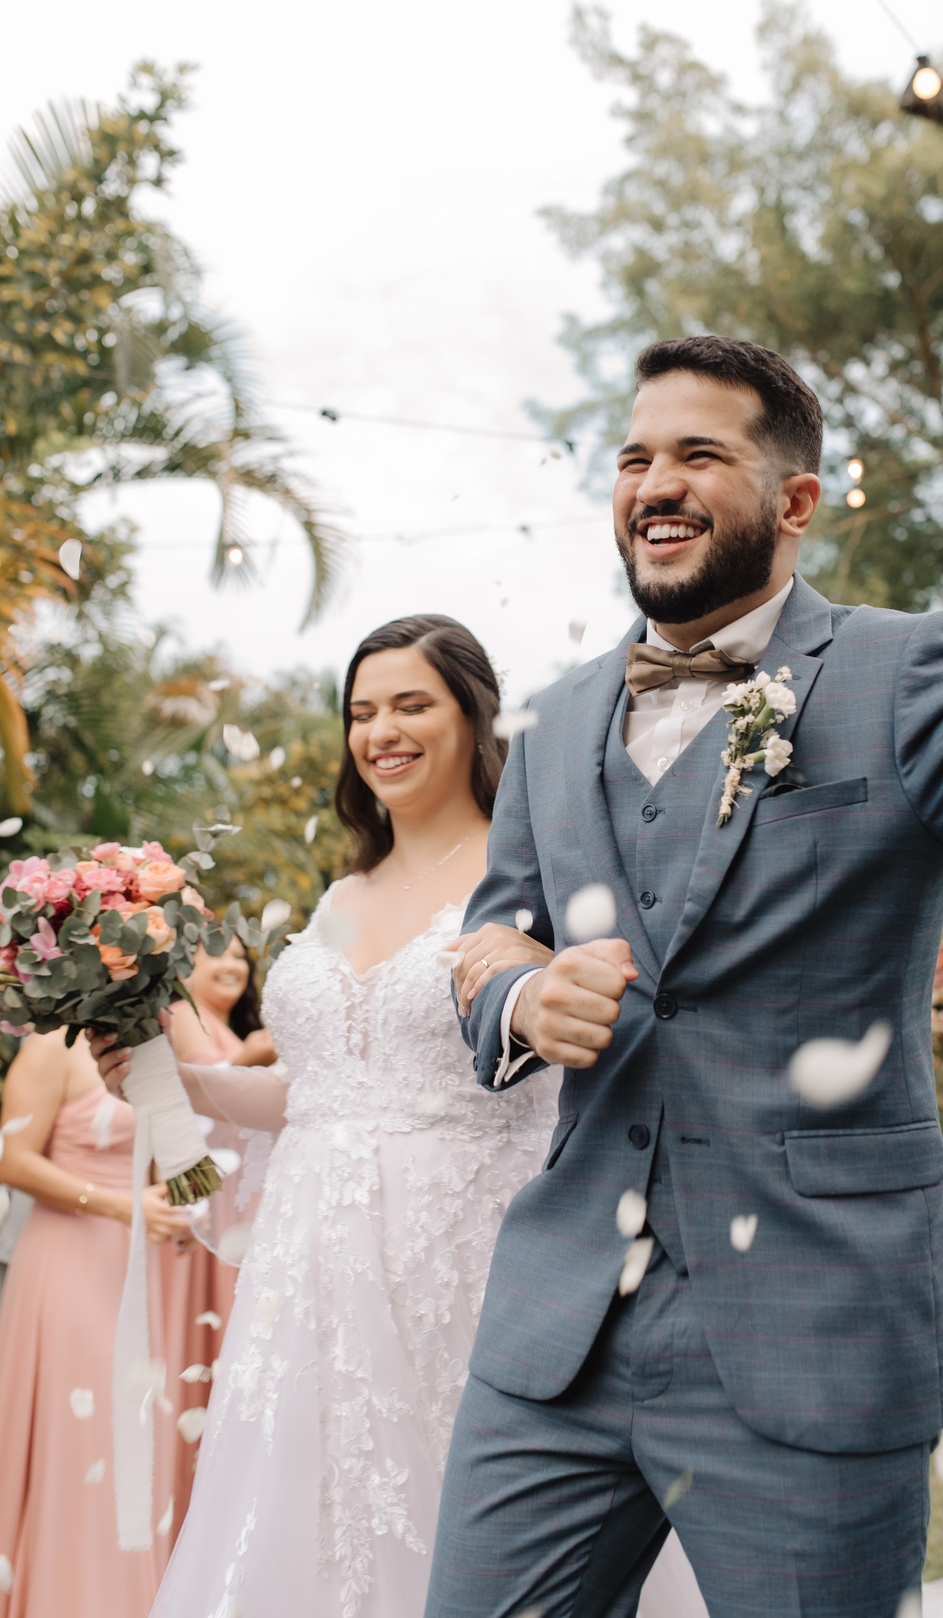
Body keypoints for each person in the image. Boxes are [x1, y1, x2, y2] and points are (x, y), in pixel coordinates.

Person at [429, 334, 943, 1618]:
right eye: (634, 457)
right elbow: (492, 930)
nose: (654, 483)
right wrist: (518, 992)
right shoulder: (552, 722)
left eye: (698, 454)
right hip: (559, 1332)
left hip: (818, 1325)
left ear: (795, 501)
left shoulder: (901, 669)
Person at [95, 618, 567, 1618]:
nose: (380, 732)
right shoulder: (345, 894)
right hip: (309, 1269)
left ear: (473, 716)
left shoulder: (530, 874)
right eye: (361, 712)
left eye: (411, 705)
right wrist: (172, 1079)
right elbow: (316, 1093)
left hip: (466, 1257)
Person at [0, 1030, 191, 1617]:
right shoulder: (49, 1048)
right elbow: (11, 1158)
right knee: (86, 1431)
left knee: (136, 1432)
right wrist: (119, 1205)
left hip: (137, 1264)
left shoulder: (149, 1044)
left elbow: (163, 1157)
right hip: (69, 1258)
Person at [158, 937, 275, 1543]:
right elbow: (201, 1093)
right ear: (185, 965)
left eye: (239, 956)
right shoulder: (183, 1013)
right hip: (207, 1225)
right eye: (216, 954)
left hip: (240, 1219)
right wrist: (268, 1048)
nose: (232, 965)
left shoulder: (228, 1026)